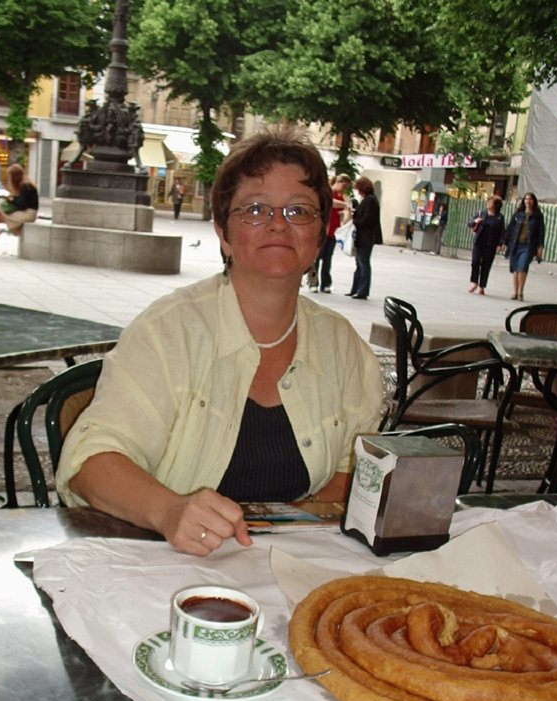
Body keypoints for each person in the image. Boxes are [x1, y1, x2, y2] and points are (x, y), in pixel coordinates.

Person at [56, 130, 384, 556]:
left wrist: (275, 536)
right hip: (162, 564)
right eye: (254, 209)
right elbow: (89, 461)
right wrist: (169, 511)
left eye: (298, 210)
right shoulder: (167, 332)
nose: (278, 223)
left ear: (319, 233)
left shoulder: (345, 349)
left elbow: (350, 471)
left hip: (286, 567)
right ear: (223, 232)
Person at [0, 163, 38, 256]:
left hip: (28, 214)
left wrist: (10, 199)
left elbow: (22, 204)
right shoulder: (24, 184)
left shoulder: (26, 185)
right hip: (24, 212)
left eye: (10, 176)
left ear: (15, 176)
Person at [309, 173, 351, 293]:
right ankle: (313, 283)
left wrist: (344, 214)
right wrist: (345, 205)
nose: (344, 189)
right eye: (343, 186)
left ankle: (326, 283)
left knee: (328, 259)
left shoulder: (341, 196)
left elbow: (342, 211)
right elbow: (330, 202)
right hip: (323, 230)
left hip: (334, 231)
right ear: (338, 182)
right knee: (316, 258)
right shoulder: (328, 192)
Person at [504, 192, 545, 301]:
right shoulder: (518, 214)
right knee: (515, 269)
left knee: (522, 267)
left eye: (530, 199)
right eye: (526, 199)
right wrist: (504, 242)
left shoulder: (538, 216)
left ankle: (520, 292)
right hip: (515, 245)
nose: (528, 201)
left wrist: (540, 248)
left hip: (528, 246)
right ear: (523, 201)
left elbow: (541, 232)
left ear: (534, 201)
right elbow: (510, 228)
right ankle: (515, 292)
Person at [347, 177, 383, 299]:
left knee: (363, 263)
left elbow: (367, 218)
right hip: (365, 236)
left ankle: (362, 290)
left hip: (365, 237)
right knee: (360, 263)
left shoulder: (370, 200)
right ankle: (356, 288)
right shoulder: (370, 199)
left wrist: (356, 220)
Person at [467, 195, 506, 296]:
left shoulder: (499, 217)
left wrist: (500, 243)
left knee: (486, 265)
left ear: (496, 205)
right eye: (488, 201)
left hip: (491, 244)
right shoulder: (481, 213)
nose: (488, 203)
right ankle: (474, 282)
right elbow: (469, 223)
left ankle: (482, 286)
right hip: (479, 241)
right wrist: (475, 221)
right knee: (475, 262)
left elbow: (502, 232)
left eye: (491, 202)